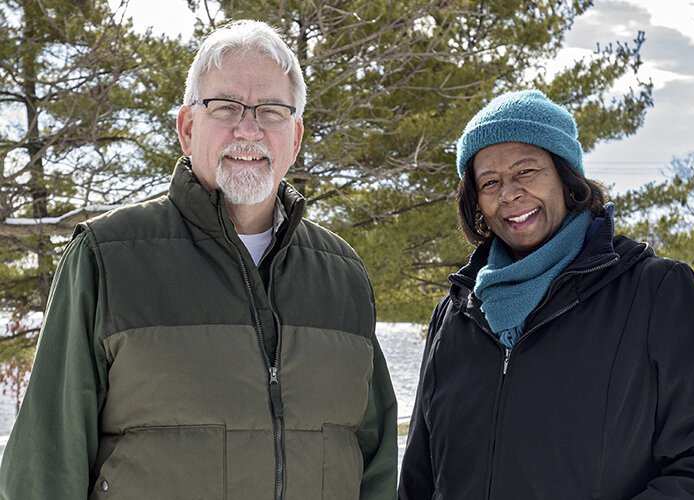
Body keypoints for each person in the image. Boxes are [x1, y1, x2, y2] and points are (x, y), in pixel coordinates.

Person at [0, 20, 397, 500]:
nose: (248, 129)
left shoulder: (342, 276)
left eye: (271, 111)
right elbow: (44, 466)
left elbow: (373, 467)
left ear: (295, 137)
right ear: (187, 128)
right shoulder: (107, 259)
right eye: (226, 107)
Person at [398, 89, 694, 499]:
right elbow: (420, 479)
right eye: (489, 182)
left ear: (566, 178)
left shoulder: (654, 291)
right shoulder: (456, 314)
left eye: (526, 171)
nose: (508, 193)